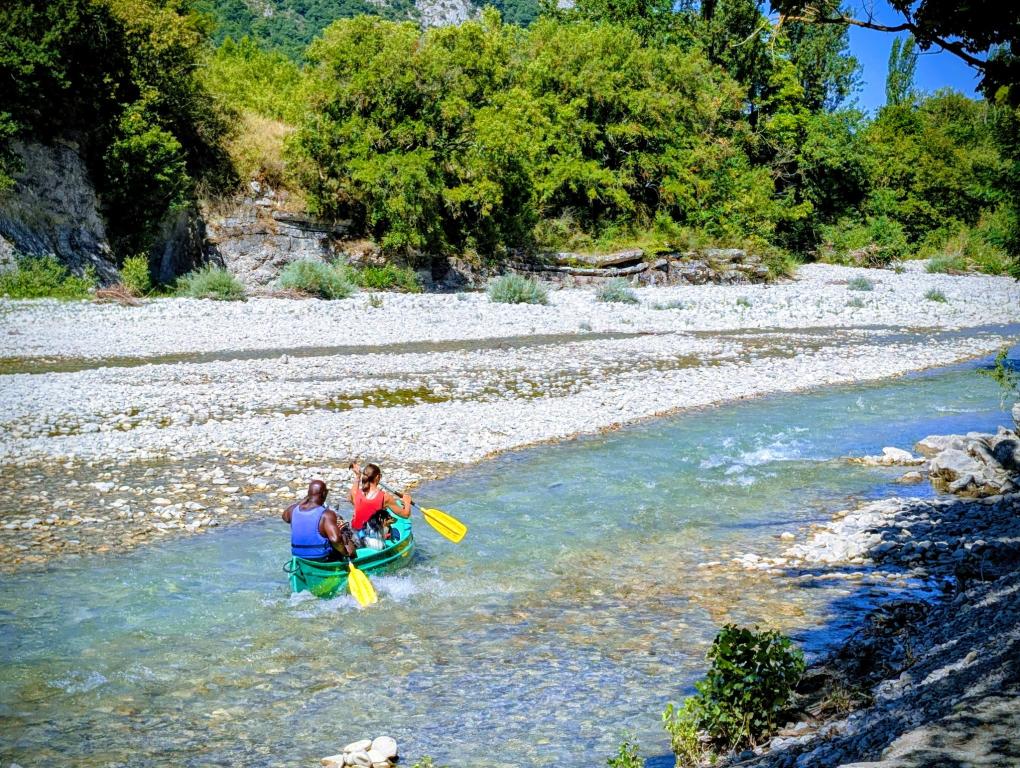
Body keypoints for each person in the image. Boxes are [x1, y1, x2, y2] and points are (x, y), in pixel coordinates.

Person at [283, 479, 357, 561]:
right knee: (344, 538)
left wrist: (306, 498)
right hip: (321, 558)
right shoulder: (326, 514)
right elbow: (335, 540)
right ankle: (350, 560)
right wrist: (345, 552)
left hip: (298, 557)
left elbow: (285, 517)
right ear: (324, 493)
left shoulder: (293, 510)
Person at [348, 461, 411, 546]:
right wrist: (407, 502)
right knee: (389, 528)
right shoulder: (385, 497)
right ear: (378, 477)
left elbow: (352, 498)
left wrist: (357, 476)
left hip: (355, 537)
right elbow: (405, 515)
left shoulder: (355, 492)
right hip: (374, 542)